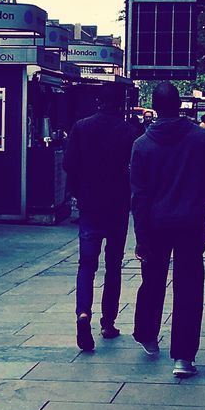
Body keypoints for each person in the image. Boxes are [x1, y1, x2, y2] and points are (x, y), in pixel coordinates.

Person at [130, 80, 205, 379]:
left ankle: (147, 333)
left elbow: (139, 196)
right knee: (189, 286)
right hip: (191, 223)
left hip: (155, 225)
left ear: (155, 108)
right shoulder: (201, 138)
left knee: (152, 279)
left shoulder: (142, 145)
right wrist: (196, 202)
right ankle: (183, 357)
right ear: (179, 106)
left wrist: (141, 236)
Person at [64, 86, 141, 351]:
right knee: (113, 265)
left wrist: (78, 192)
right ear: (121, 103)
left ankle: (83, 314)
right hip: (117, 206)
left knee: (86, 265)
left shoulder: (81, 127)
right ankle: (108, 322)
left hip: (89, 205)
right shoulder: (129, 131)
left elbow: (69, 164)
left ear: (98, 101)